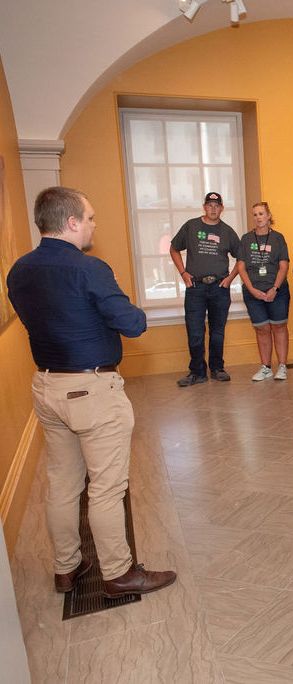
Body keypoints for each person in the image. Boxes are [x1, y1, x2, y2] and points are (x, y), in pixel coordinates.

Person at [6, 186, 176, 598]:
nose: (94, 225)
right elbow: (133, 324)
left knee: (62, 483)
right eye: (91, 217)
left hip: (46, 385)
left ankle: (66, 568)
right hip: (91, 389)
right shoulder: (89, 269)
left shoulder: (18, 271)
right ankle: (118, 573)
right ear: (71, 222)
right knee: (106, 487)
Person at [169, 192, 241, 386]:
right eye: (210, 205)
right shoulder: (191, 226)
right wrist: (183, 273)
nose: (213, 208)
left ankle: (217, 368)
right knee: (195, 332)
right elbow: (174, 248)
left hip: (219, 288)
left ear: (222, 208)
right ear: (204, 207)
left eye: (217, 205)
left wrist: (230, 279)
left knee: (217, 332)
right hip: (196, 288)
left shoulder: (227, 231)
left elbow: (241, 258)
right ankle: (197, 372)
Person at [237, 201, 290, 381]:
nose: (258, 217)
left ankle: (282, 366)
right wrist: (251, 290)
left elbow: (284, 266)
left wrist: (274, 288)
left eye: (261, 214)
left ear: (268, 216)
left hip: (277, 291)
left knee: (279, 327)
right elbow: (241, 267)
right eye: (255, 214)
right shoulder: (246, 239)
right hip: (253, 293)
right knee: (261, 329)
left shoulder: (278, 238)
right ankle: (266, 367)